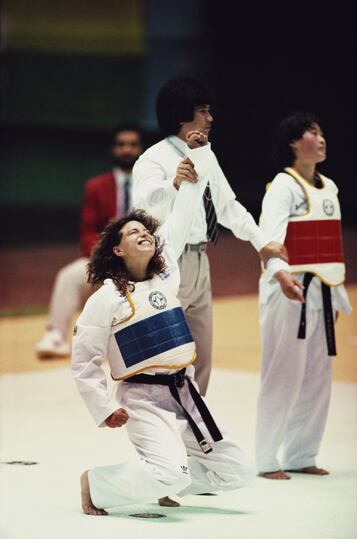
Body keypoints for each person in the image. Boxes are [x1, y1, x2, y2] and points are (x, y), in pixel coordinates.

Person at [71, 130, 256, 516]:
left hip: (185, 393)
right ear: (117, 250)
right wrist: (102, 406)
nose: (144, 234)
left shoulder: (166, 277)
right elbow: (84, 360)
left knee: (238, 471)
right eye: (132, 232)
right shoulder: (105, 299)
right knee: (169, 473)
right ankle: (100, 483)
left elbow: (181, 219)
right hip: (142, 399)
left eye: (146, 231)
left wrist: (196, 158)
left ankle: (167, 476)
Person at [132, 77, 288, 397]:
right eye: (203, 111)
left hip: (200, 259)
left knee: (202, 355)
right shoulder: (154, 158)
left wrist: (261, 243)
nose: (211, 118)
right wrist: (171, 184)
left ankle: (195, 429)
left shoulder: (207, 156)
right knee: (167, 353)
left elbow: (228, 207)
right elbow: (142, 203)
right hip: (166, 261)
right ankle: (164, 427)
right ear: (181, 117)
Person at [255, 111, 352, 480]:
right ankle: (266, 459)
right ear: (294, 143)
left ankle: (301, 452)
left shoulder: (330, 188)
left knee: (317, 376)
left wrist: (337, 293)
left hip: (322, 292)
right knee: (283, 374)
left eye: (322, 132)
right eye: (312, 132)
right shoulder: (283, 186)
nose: (321, 138)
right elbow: (269, 238)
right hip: (290, 289)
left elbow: (330, 248)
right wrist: (279, 275)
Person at [35, 124, 143, 359]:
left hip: (142, 263)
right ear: (113, 149)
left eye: (132, 144)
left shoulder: (152, 185)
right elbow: (88, 230)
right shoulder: (96, 187)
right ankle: (55, 336)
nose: (127, 149)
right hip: (106, 259)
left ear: (140, 149)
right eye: (121, 144)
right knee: (69, 275)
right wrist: (107, 259)